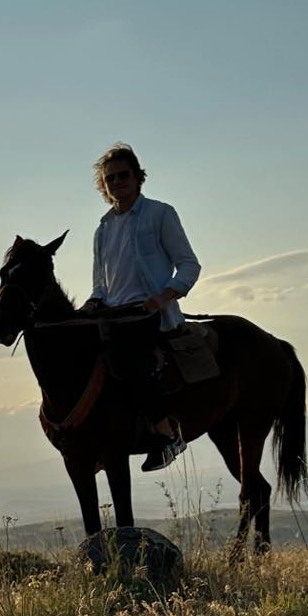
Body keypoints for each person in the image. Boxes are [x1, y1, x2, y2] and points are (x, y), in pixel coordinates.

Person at [79, 144, 201, 472]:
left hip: (150, 313)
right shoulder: (102, 229)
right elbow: (101, 284)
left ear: (138, 178)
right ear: (103, 186)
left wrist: (162, 298)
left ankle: (167, 435)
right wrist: (93, 302)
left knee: (128, 358)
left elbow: (189, 265)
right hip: (113, 315)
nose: (117, 182)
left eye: (123, 175)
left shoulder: (160, 213)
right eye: (110, 178)